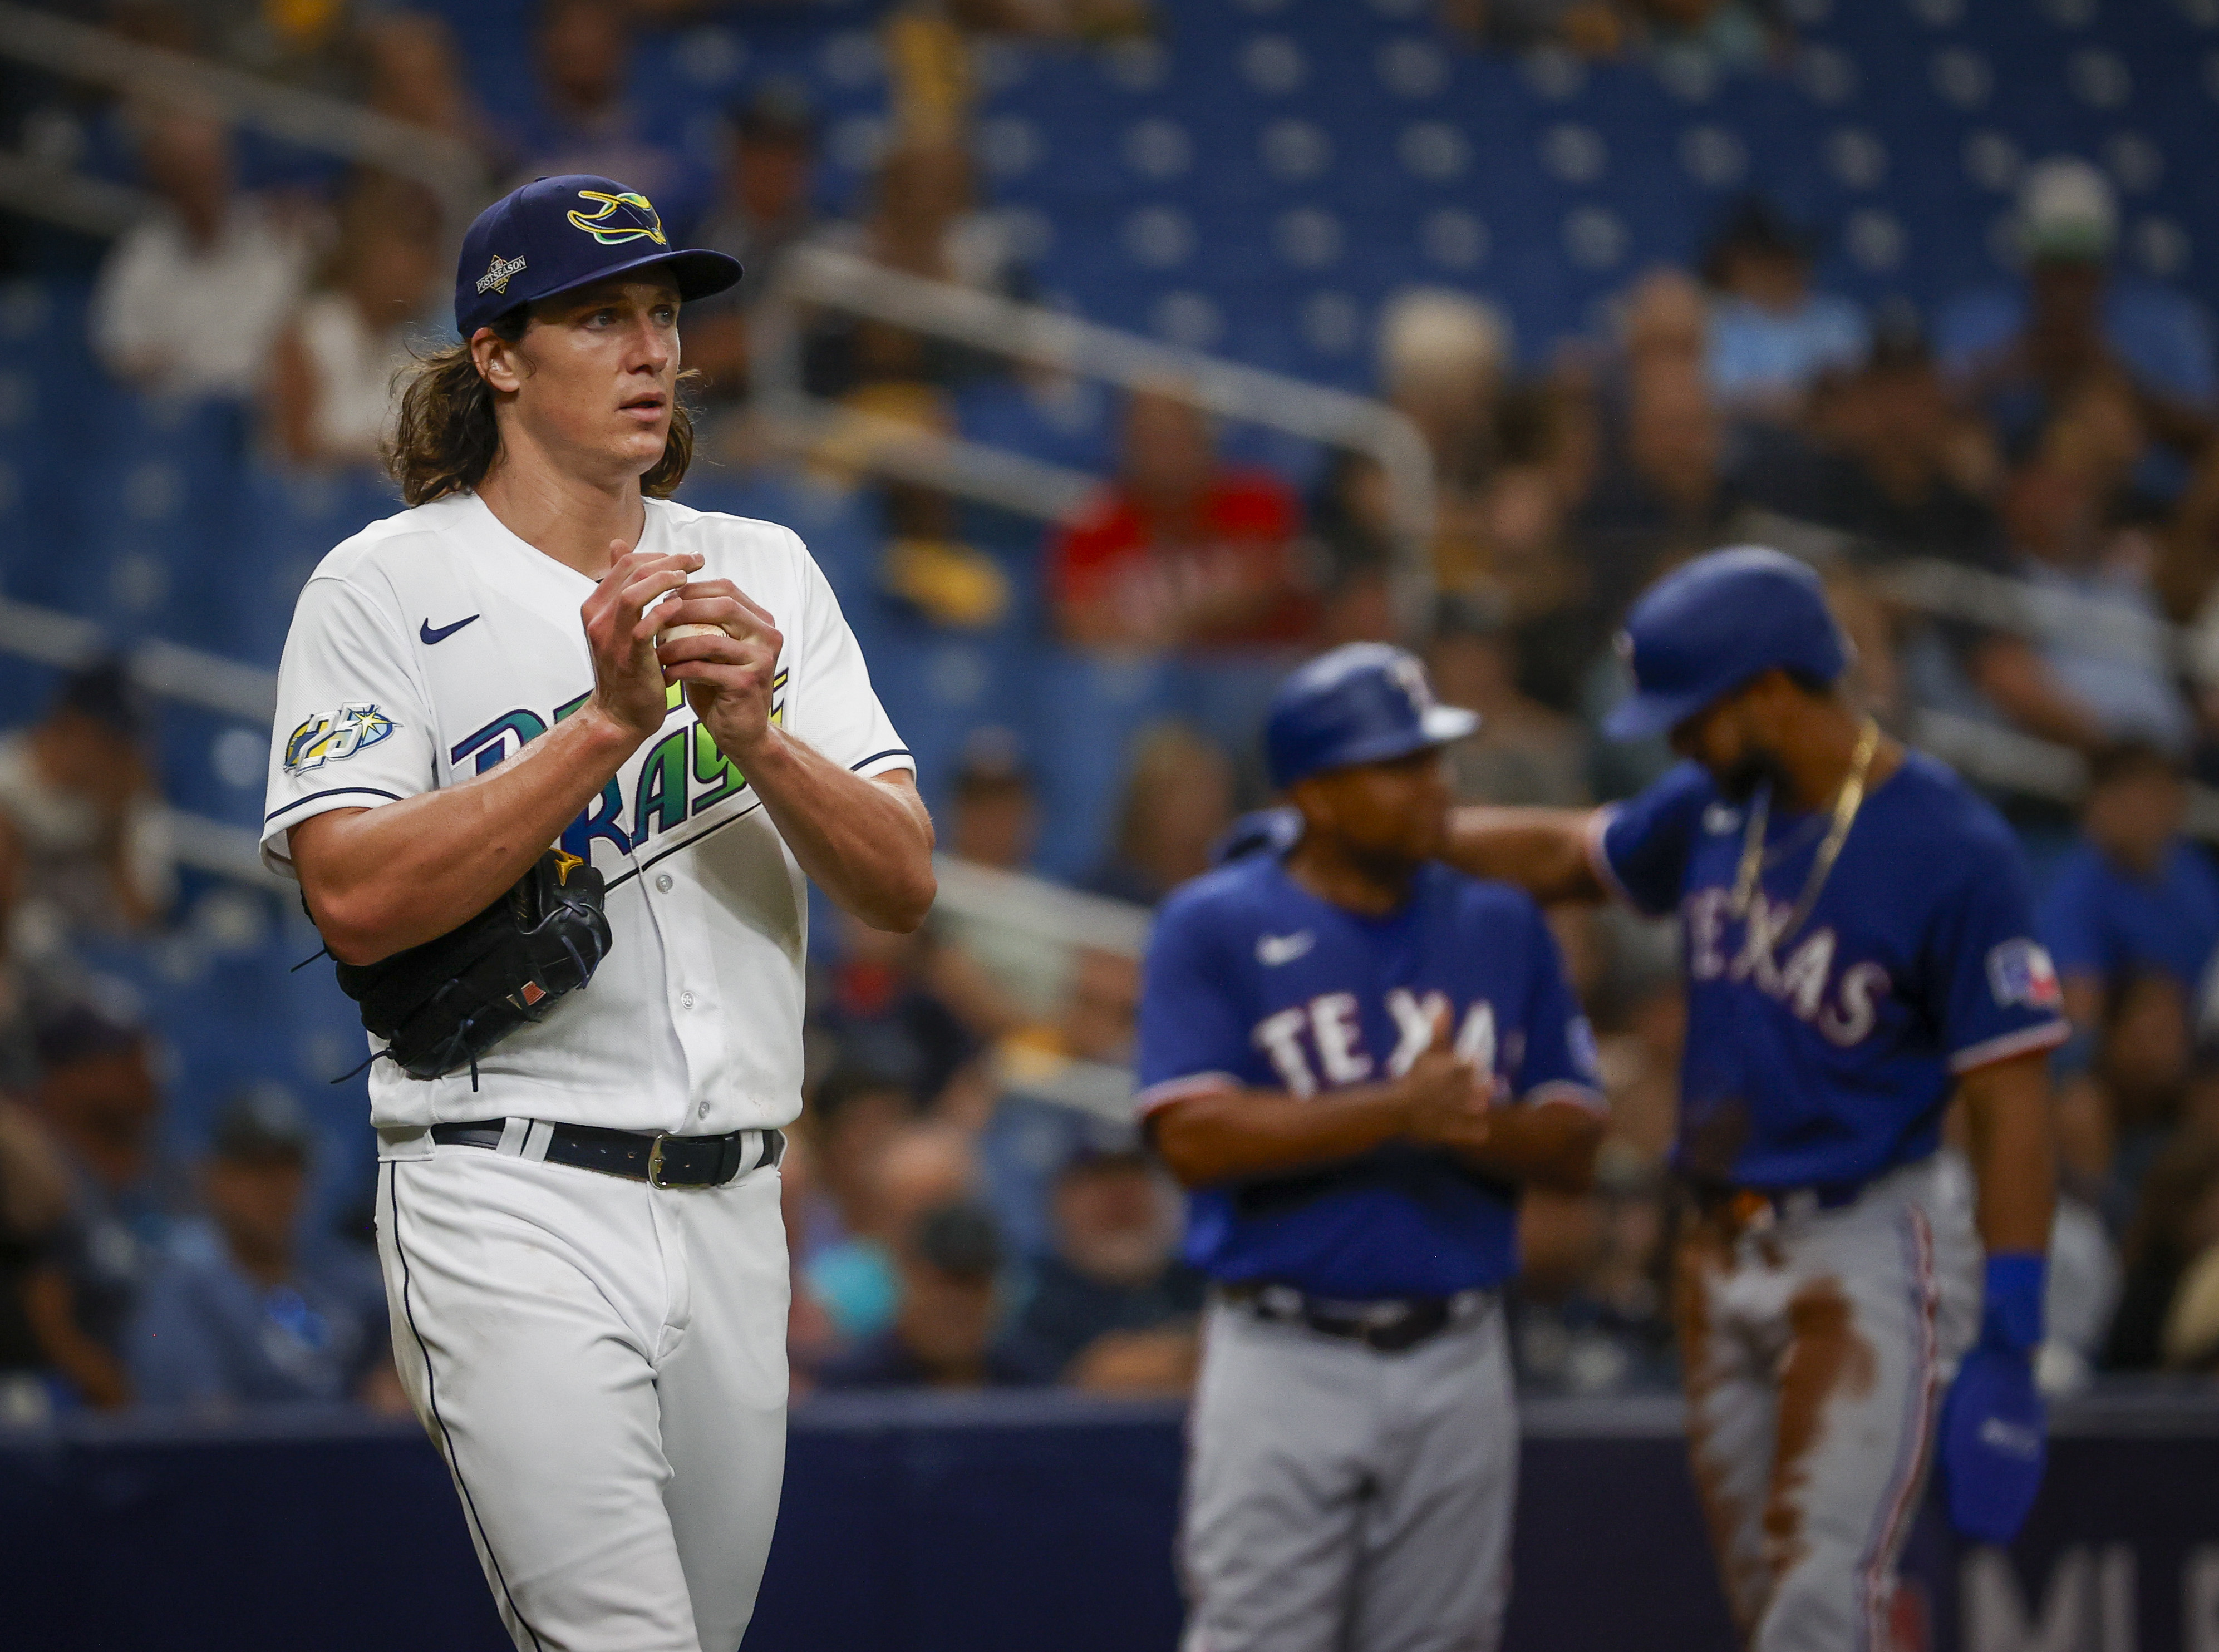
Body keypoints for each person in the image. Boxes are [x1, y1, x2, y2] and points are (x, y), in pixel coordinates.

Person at [260, 173, 934, 1652]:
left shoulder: (765, 569)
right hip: (509, 1184)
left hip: (736, 1201)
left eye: (663, 316)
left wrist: (756, 733)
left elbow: (900, 883)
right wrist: (605, 728)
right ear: (496, 354)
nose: (652, 352)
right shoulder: (383, 585)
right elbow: (355, 900)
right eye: (600, 317)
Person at [1440, 546, 2064, 1646]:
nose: (1673, 737)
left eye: (1692, 711)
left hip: (1865, 1235)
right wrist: (1399, 842)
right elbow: (1566, 851)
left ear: (1774, 690)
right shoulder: (1717, 803)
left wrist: (2011, 1328)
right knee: (1768, 1592)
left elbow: (2011, 1099)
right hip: (1716, 1246)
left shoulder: (1951, 846)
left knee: (1821, 1591)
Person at [1136, 643, 1606, 1652]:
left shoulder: (1498, 918)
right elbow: (1190, 1135)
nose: (1435, 786)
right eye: (1399, 765)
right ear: (1317, 793)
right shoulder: (1216, 920)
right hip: (1281, 1349)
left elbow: (1576, 1143)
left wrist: (1459, 1117)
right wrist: (1397, 1109)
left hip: (1462, 1345)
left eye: (1434, 758)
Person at [125, 1089, 397, 1409]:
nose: (275, 1188)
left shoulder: (345, 1280)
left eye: (288, 1169)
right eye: (256, 1170)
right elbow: (206, 1431)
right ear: (214, 1178)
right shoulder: (183, 1292)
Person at [20, 994, 187, 1411]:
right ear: (64, 1074)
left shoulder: (171, 1176)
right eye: (118, 1059)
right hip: (86, 1416)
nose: (141, 1072)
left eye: (141, 1054)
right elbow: (44, 1306)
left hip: (191, 1398)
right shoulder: (37, 1179)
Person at [1048, 389, 1312, 652]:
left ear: (1204, 438)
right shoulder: (1092, 521)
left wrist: (1169, 623)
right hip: (1146, 682)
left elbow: (1262, 594)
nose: (1164, 455)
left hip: (1253, 671)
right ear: (1125, 445)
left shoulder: (1258, 499)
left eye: (1177, 436)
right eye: (1150, 439)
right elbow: (1080, 626)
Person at [89, 104, 313, 400]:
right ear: (162, 174)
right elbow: (120, 352)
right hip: (177, 417)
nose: (201, 176)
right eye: (185, 166)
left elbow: (307, 337)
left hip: (261, 410)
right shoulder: (140, 254)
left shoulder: (278, 236)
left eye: (209, 160)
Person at [997, 1135, 1204, 1392]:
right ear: (1060, 1200)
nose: (1119, 1196)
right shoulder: (1028, 1292)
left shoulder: (1200, 1281)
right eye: (1099, 1181)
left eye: (1132, 1176)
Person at [2042, 742, 2219, 1037]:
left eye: (2160, 794)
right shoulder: (2073, 889)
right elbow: (2079, 1012)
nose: (2149, 811)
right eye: (2133, 798)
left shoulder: (2195, 870)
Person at [267, 174, 444, 469]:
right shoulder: (310, 333)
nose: (425, 266)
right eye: (410, 247)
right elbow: (292, 450)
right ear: (368, 251)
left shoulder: (418, 349)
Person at [0, 660, 175, 937]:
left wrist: (116, 825)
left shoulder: (136, 809)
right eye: (106, 740)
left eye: (124, 745)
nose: (114, 757)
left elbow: (145, 928)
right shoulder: (8, 774)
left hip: (95, 964)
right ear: (69, 724)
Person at [814, 1199, 1035, 1389]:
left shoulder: (1031, 1383)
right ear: (906, 1280)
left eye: (970, 1285)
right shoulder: (852, 1386)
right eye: (939, 1285)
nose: (956, 1304)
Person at [1700, 197, 1867, 418]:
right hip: (1745, 440)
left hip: (1829, 436)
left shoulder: (1839, 319)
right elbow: (1713, 393)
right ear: (1736, 264)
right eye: (1762, 259)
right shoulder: (1716, 320)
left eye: (1786, 257)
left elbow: (1859, 387)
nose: (1777, 270)